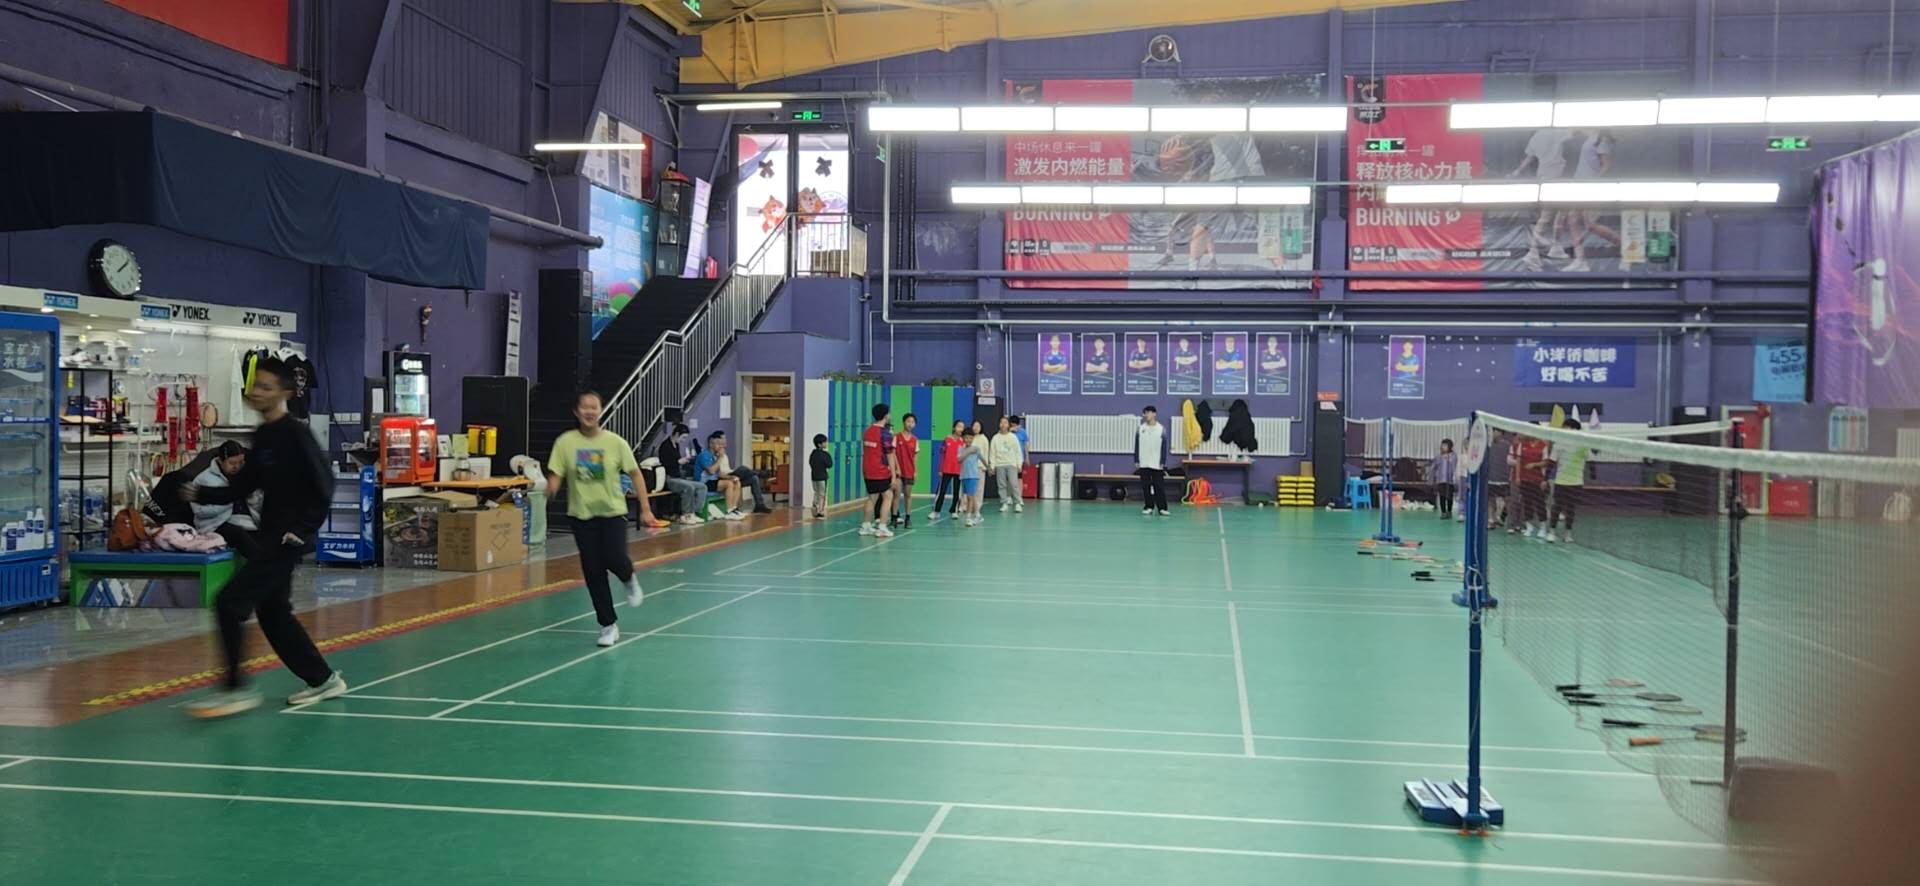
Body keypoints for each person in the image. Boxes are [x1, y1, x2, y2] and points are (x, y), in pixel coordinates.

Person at [182, 358, 343, 718]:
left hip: (287, 540)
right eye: (256, 385)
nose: (257, 392)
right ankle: (322, 679)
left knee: (229, 603)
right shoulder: (264, 436)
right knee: (273, 614)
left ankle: (235, 689)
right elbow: (243, 485)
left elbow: (325, 485)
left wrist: (303, 529)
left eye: (266, 387)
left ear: (284, 392)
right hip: (268, 536)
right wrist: (200, 493)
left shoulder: (296, 434)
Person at [544, 391, 647, 647]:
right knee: (593, 571)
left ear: (601, 411)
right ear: (576, 411)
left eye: (594, 407)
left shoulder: (615, 442)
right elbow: (556, 473)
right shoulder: (565, 442)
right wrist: (550, 487)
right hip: (581, 516)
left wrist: (645, 508)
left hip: (612, 513)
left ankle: (628, 577)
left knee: (615, 558)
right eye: (585, 407)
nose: (589, 411)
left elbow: (635, 474)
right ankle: (608, 625)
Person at [1545, 419, 1592, 543]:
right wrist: (1545, 478)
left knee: (1571, 509)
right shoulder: (1559, 443)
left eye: (1565, 427)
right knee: (1557, 507)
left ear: (1573, 428)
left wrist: (1593, 474)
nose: (1563, 429)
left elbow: (1590, 459)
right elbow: (1551, 462)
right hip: (1560, 481)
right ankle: (1551, 532)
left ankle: (1568, 534)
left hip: (1576, 482)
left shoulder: (1584, 444)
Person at [655, 424, 708, 525]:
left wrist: (683, 461)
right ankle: (686, 515)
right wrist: (678, 462)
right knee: (688, 488)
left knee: (702, 487)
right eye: (683, 437)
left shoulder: (677, 445)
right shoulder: (665, 446)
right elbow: (665, 464)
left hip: (677, 477)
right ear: (676, 434)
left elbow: (677, 461)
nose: (684, 440)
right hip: (668, 478)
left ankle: (694, 512)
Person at [859, 402, 896, 538]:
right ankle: (882, 527)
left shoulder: (867, 431)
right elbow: (890, 455)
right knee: (888, 496)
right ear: (886, 416)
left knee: (872, 497)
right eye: (889, 413)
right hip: (880, 470)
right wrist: (893, 475)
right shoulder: (885, 434)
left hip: (868, 470)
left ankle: (866, 526)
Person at [694, 432, 747, 521]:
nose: (721, 446)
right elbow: (711, 471)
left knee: (736, 482)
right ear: (711, 444)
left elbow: (718, 474)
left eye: (721, 444)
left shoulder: (715, 456)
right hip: (703, 483)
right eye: (718, 444)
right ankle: (729, 511)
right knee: (728, 484)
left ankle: (734, 509)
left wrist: (731, 477)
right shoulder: (704, 455)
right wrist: (720, 457)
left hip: (713, 481)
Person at [1510, 430, 1552, 537]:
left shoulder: (1543, 445)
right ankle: (1529, 527)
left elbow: (1546, 462)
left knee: (1540, 503)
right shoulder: (1522, 445)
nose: (1527, 434)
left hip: (1538, 480)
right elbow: (1518, 462)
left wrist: (1535, 465)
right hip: (1525, 479)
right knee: (1527, 503)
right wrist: (1518, 477)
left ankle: (1543, 527)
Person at [1134, 405, 1170, 517]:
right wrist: (1136, 459)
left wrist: (1162, 460)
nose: (1147, 415)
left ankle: (1162, 508)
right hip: (1144, 461)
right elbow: (1137, 445)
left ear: (1154, 414)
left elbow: (1164, 446)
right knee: (1145, 486)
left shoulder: (1161, 429)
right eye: (1145, 413)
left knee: (1159, 486)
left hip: (1156, 462)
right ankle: (1149, 506)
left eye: (1149, 412)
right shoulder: (1140, 429)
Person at [929, 419, 965, 523]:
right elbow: (942, 455)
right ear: (954, 427)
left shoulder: (962, 442)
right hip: (946, 470)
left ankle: (954, 510)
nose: (960, 429)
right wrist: (940, 469)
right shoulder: (947, 439)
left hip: (958, 471)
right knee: (942, 491)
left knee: (957, 492)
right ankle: (936, 511)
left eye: (962, 427)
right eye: (959, 426)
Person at [890, 413, 920, 528]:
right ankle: (894, 518)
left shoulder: (915, 440)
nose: (910, 424)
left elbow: (915, 457)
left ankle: (908, 518)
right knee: (896, 494)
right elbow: (893, 453)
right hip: (898, 472)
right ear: (903, 422)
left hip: (909, 471)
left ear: (915, 424)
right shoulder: (897, 437)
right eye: (908, 421)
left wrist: (915, 471)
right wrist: (897, 468)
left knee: (908, 495)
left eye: (912, 422)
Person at [990, 415, 1024, 513]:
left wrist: (1019, 464)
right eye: (1001, 422)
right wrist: (992, 465)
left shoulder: (1013, 437)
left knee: (1014, 484)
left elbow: (1017, 451)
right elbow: (992, 452)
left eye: (1005, 422)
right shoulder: (995, 438)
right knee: (1001, 485)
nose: (1003, 424)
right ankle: (1004, 503)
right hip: (999, 464)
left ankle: (1017, 503)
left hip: (1011, 463)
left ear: (1008, 425)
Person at [957, 426, 985, 527]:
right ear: (963, 438)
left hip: (973, 476)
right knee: (970, 496)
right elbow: (959, 460)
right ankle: (978, 515)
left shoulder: (976, 449)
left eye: (970, 438)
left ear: (973, 438)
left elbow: (982, 459)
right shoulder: (961, 449)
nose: (968, 440)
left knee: (970, 497)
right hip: (964, 476)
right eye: (966, 437)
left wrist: (988, 468)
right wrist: (968, 452)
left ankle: (968, 517)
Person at [1430, 438, 1459, 521]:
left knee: (1449, 496)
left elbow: (1454, 465)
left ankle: (1449, 511)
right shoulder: (1439, 456)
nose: (1443, 447)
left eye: (1445, 445)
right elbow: (1434, 465)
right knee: (1442, 495)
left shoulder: (1453, 455)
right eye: (1442, 445)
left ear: (1450, 447)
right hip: (1441, 479)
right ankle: (1443, 512)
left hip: (1450, 480)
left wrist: (1448, 459)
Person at [808, 434, 831, 519]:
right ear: (819, 444)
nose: (826, 443)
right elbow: (829, 464)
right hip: (822, 477)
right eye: (824, 442)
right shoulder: (825, 454)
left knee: (816, 492)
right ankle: (820, 512)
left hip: (814, 476)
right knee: (822, 494)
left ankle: (815, 507)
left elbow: (811, 463)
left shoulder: (813, 454)